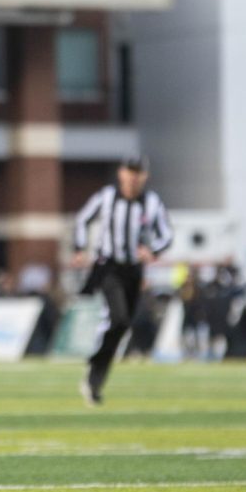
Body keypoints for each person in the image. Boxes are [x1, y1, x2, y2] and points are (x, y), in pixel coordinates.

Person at [70, 155, 173, 406]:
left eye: (138, 172)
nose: (133, 177)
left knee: (122, 326)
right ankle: (95, 369)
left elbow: (167, 234)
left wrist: (153, 251)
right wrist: (80, 248)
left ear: (144, 176)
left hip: (134, 270)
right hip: (108, 267)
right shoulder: (106, 197)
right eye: (130, 171)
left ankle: (95, 378)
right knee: (119, 318)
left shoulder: (151, 202)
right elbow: (82, 219)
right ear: (121, 173)